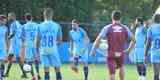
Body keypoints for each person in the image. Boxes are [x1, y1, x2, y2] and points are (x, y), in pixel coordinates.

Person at [90, 10, 135, 80]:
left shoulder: (107, 27)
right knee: (121, 67)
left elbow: (98, 39)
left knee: (112, 73)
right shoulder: (125, 28)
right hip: (120, 53)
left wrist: (93, 50)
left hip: (111, 53)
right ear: (121, 18)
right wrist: (129, 50)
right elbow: (134, 40)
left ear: (112, 18)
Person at [36, 7, 62, 80]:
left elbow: (37, 40)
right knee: (57, 69)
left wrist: (37, 52)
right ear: (52, 15)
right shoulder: (57, 25)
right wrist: (55, 45)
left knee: (46, 71)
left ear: (44, 15)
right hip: (53, 49)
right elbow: (60, 40)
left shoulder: (40, 26)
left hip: (43, 50)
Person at [4, 12, 27, 78]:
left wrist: (8, 37)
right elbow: (22, 33)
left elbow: (13, 33)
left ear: (13, 17)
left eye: (9, 16)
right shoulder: (18, 24)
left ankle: (24, 73)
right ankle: (6, 73)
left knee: (18, 59)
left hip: (15, 43)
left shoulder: (13, 24)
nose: (8, 18)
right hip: (15, 43)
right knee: (10, 57)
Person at [20, 13, 40, 79]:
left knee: (29, 61)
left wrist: (24, 44)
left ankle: (33, 76)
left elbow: (22, 37)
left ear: (25, 19)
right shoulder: (36, 25)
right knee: (36, 60)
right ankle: (37, 74)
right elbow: (39, 34)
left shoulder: (23, 26)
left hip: (28, 45)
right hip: (35, 44)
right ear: (32, 18)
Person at [145, 14, 160, 80]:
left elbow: (148, 43)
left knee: (156, 75)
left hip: (155, 52)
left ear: (153, 20)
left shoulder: (150, 28)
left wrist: (145, 55)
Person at [0, 15, 8, 80]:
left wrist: (7, 47)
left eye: (5, 21)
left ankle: (1, 76)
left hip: (3, 47)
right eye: (4, 21)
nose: (5, 22)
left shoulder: (5, 28)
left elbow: (6, 38)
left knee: (2, 61)